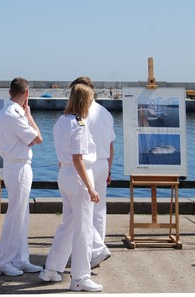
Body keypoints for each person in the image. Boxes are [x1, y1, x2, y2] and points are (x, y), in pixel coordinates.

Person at [39, 82, 103, 292]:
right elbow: (78, 159)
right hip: (78, 177)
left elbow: (67, 156)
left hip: (64, 174)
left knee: (68, 225)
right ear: (85, 102)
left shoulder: (61, 121)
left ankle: (51, 269)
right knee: (83, 229)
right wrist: (91, 188)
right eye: (90, 100)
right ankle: (80, 278)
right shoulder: (79, 125)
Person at [0, 77, 43, 277]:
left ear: (9, 91)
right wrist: (29, 116)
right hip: (18, 167)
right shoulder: (16, 114)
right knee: (15, 215)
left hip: (15, 165)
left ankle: (20, 258)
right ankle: (2, 261)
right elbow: (37, 138)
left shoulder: (8, 111)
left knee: (21, 214)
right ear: (27, 93)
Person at [81, 77, 115, 268]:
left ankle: (95, 250)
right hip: (103, 164)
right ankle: (98, 248)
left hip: (89, 164)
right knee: (100, 210)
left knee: (85, 209)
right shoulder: (105, 113)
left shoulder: (83, 113)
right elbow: (111, 146)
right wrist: (110, 168)